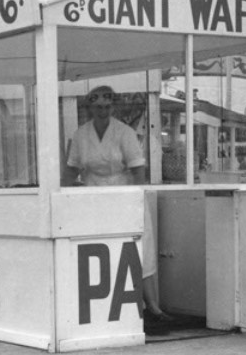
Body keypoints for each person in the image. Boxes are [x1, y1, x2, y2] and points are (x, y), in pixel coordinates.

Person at [63, 85, 172, 324]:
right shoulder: (81, 135)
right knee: (100, 250)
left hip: (125, 197)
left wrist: (133, 200)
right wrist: (65, 194)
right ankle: (106, 306)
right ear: (90, 107)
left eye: (107, 106)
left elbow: (138, 170)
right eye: (98, 106)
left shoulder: (124, 132)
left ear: (113, 107)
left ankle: (152, 306)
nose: (103, 111)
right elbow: (71, 169)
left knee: (139, 249)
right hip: (94, 200)